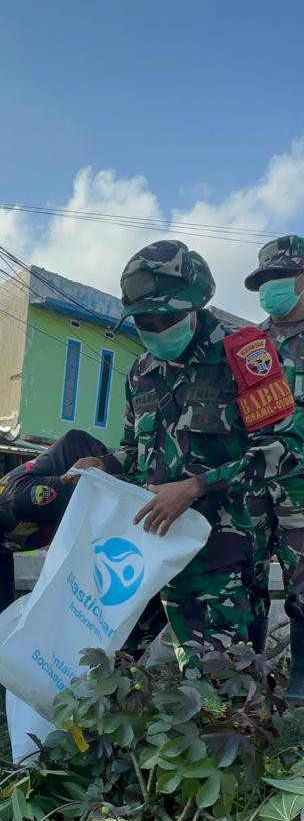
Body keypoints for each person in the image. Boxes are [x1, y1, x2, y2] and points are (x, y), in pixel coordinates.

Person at [70, 240, 299, 669]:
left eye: (167, 316)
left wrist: (197, 486)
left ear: (196, 305)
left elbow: (283, 450)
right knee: (110, 672)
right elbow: (137, 451)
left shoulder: (245, 356)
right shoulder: (141, 372)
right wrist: (104, 464)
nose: (155, 327)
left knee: (220, 689)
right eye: (144, 320)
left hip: (219, 555)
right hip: (144, 550)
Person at [0, 430, 166, 652]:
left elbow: (86, 490)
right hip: (78, 509)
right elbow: (1, 599)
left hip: (95, 469)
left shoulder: (18, 501)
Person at [243, 236, 304, 697]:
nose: (271, 288)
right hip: (250, 482)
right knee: (248, 578)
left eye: (279, 278)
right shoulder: (249, 344)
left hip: (301, 486)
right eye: (264, 281)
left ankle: (300, 677)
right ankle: (248, 675)